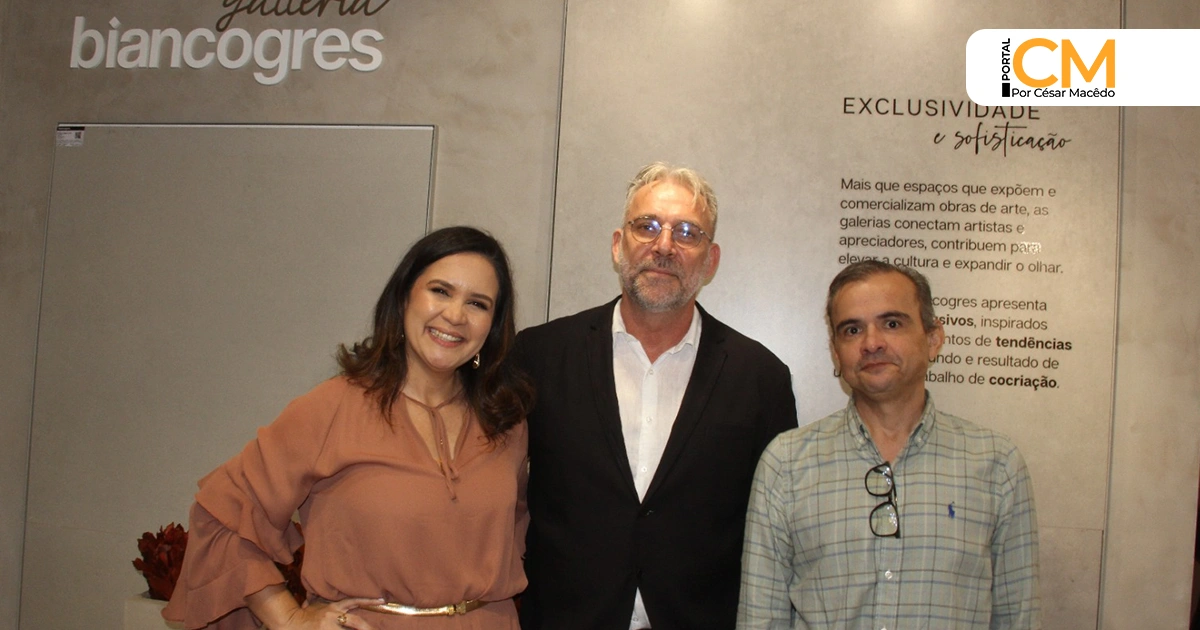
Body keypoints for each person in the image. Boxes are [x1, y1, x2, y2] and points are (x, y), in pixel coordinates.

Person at [163, 226, 535, 630]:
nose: (456, 315)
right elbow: (224, 513)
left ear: (493, 325)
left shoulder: (506, 423)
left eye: (478, 303)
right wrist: (289, 618)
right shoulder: (332, 407)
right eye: (440, 291)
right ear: (403, 297)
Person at [514, 162, 798, 629]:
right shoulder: (539, 355)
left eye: (687, 233)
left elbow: (777, 533)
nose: (664, 246)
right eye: (646, 226)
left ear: (711, 261)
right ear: (617, 244)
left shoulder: (760, 378)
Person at [738, 260, 1040, 630]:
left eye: (892, 323)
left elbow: (1017, 618)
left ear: (933, 338)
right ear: (836, 352)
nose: (872, 343)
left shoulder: (996, 465)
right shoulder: (786, 464)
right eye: (852, 330)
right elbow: (760, 619)